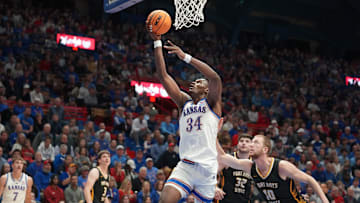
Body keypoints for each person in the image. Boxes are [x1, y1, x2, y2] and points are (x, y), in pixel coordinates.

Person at [148, 30, 222, 203]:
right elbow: (163, 76)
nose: (194, 82)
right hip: (186, 166)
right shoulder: (184, 103)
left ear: (206, 90)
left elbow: (215, 78)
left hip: (206, 169)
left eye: (199, 82)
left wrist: (185, 57)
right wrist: (157, 42)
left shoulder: (212, 104)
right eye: (194, 81)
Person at [218, 134, 329, 203]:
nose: (251, 145)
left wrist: (325, 201)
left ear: (265, 149)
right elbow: (222, 157)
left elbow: (310, 180)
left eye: (255, 142)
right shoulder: (249, 166)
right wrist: (211, 133)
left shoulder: (281, 167)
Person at [215, 134, 253, 203]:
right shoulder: (228, 159)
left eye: (247, 141)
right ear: (237, 144)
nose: (244, 143)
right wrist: (215, 187)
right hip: (225, 200)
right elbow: (211, 173)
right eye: (241, 141)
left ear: (252, 146)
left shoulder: (253, 164)